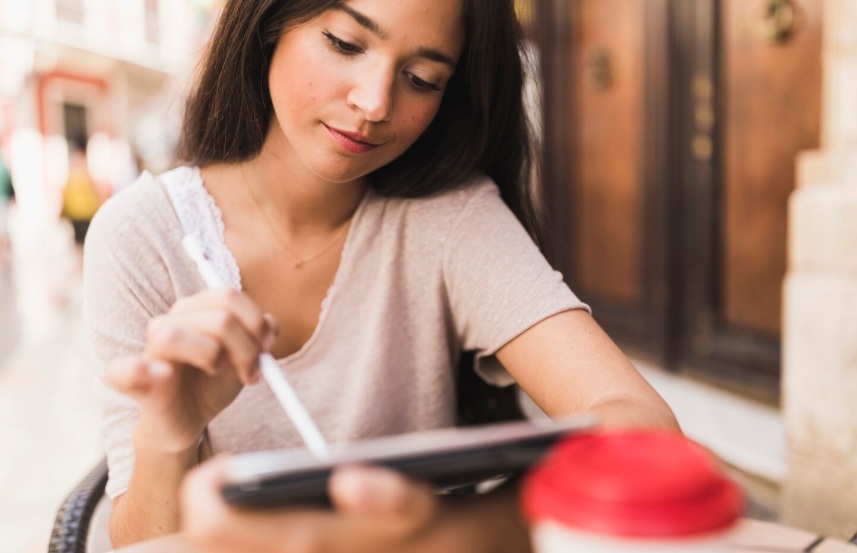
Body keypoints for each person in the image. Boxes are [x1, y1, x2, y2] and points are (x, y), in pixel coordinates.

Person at [82, 0, 680, 551]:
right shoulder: (143, 236)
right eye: (345, 43)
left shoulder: (448, 218)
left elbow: (647, 435)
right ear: (270, 24)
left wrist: (427, 535)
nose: (374, 104)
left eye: (422, 79)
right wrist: (168, 436)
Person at [61, 138, 101, 248]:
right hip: (86, 211)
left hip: (75, 211)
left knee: (80, 242)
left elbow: (65, 191)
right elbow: (93, 190)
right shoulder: (85, 169)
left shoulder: (71, 171)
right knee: (86, 242)